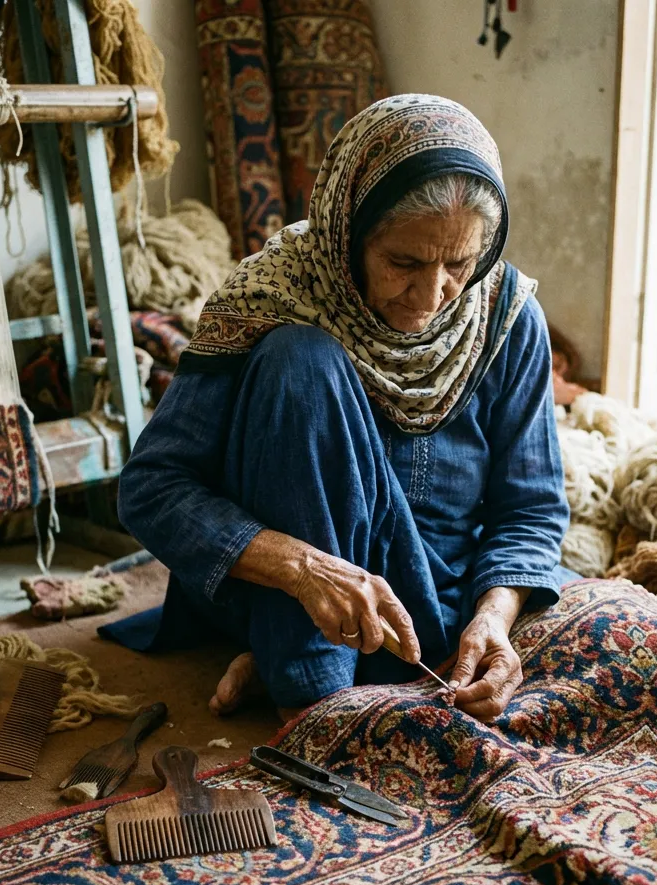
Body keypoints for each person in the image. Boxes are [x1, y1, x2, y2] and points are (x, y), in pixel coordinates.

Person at [115, 94, 573, 723]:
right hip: (291, 595)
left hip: (438, 604)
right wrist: (303, 570)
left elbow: (530, 506)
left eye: (460, 263)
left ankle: (295, 659)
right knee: (300, 361)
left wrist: (493, 617)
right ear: (347, 233)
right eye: (403, 262)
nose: (432, 294)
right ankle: (312, 691)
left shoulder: (506, 318)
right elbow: (151, 489)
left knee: (633, 637)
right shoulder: (270, 298)